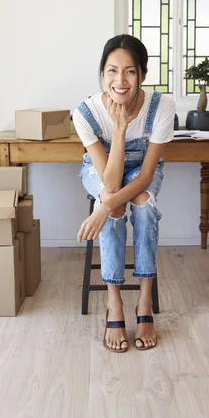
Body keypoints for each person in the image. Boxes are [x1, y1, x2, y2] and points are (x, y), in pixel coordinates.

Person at [73, 34, 176, 352]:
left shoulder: (161, 107)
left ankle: (144, 304)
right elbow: (110, 183)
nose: (120, 80)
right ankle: (114, 304)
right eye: (112, 71)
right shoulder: (86, 113)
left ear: (143, 75)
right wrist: (118, 130)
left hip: (141, 171)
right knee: (117, 207)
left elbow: (145, 175)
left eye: (130, 71)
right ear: (102, 74)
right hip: (102, 169)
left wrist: (101, 208)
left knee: (142, 205)